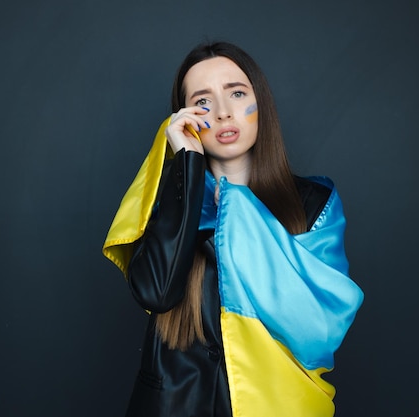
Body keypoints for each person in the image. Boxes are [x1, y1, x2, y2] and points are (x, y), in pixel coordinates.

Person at [103, 41, 364, 417]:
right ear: (186, 116)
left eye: (237, 93)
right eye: (203, 102)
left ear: (261, 104)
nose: (223, 113)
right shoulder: (170, 207)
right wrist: (188, 165)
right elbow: (157, 294)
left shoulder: (313, 203)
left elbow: (321, 327)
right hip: (174, 406)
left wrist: (240, 223)